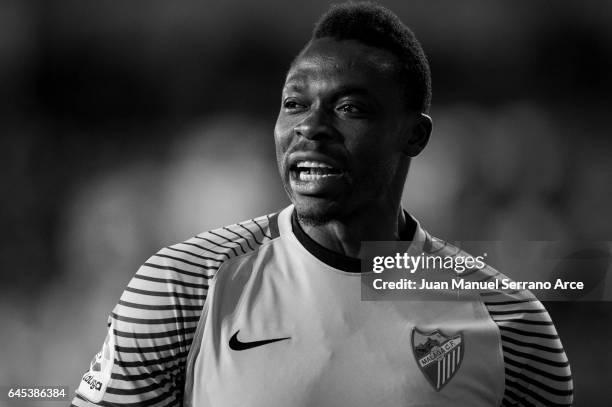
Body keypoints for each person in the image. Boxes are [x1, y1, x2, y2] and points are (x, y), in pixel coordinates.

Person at [71, 2, 573, 406]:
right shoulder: (183, 288)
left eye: (349, 107)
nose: (310, 127)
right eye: (294, 103)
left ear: (414, 136)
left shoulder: (511, 325)